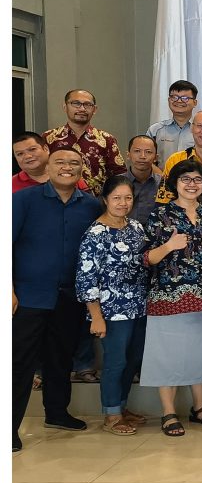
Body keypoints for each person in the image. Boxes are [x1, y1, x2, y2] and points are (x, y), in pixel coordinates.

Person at [13, 149, 102, 451]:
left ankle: (57, 413)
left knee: (60, 358)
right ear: (48, 167)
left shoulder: (91, 205)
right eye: (60, 162)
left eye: (74, 163)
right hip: (28, 296)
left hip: (69, 296)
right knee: (19, 362)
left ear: (82, 169)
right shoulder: (23, 200)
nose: (67, 167)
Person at [140, 159, 202, 437]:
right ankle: (168, 412)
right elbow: (146, 258)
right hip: (167, 296)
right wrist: (169, 246)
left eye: (197, 179)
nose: (192, 184)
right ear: (174, 184)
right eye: (185, 179)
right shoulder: (159, 215)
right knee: (167, 354)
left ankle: (199, 408)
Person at [75, 176, 149, 436]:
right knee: (115, 362)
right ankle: (111, 415)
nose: (123, 203)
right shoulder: (95, 234)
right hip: (111, 310)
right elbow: (86, 279)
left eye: (127, 198)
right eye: (117, 198)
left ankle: (122, 407)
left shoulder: (136, 227)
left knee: (133, 360)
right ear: (105, 200)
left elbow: (145, 262)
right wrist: (95, 316)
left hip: (139, 306)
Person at [44, 88, 126, 195]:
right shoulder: (49, 138)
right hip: (56, 199)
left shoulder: (106, 139)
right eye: (76, 103)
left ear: (94, 109)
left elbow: (119, 175)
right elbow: (41, 171)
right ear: (65, 107)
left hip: (96, 201)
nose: (82, 109)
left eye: (87, 105)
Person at [12, 131, 90, 193]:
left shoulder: (68, 174)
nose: (27, 156)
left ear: (46, 149)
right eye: (20, 154)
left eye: (32, 149)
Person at [147, 79, 200, 166]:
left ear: (195, 103)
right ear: (169, 100)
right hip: (161, 175)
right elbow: (146, 159)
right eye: (174, 97)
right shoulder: (155, 130)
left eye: (185, 98)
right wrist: (161, 174)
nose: (179, 101)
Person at [119, 135, 161, 223]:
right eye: (137, 151)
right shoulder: (115, 184)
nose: (142, 156)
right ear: (128, 155)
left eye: (148, 152)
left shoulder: (164, 184)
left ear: (156, 158)